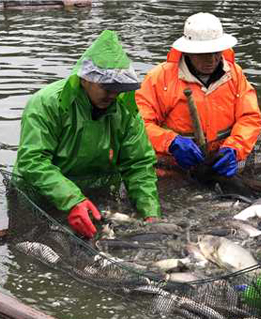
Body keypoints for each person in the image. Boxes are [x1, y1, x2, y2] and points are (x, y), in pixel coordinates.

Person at [13, 30, 160, 239]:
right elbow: (32, 161)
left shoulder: (125, 110)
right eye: (106, 87)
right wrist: (72, 200)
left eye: (118, 88)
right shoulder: (46, 103)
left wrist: (150, 213)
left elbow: (138, 165)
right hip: (41, 193)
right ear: (84, 79)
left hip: (93, 194)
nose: (113, 94)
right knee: (36, 244)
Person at [135, 12, 261, 177]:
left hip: (219, 166)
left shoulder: (235, 74)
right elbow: (138, 126)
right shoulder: (159, 78)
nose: (211, 59)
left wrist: (234, 148)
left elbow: (250, 118)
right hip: (172, 171)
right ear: (187, 52)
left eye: (216, 51)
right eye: (203, 53)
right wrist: (170, 142)